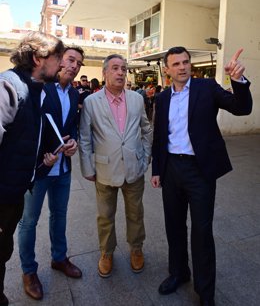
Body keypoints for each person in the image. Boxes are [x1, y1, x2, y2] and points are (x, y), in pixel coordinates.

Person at [151, 46, 252, 306]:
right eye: (176, 64)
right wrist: (156, 170)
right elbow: (160, 135)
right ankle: (179, 273)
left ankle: (205, 292)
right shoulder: (161, 99)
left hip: (200, 170)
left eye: (185, 62)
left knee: (202, 231)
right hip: (172, 169)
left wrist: (237, 80)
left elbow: (241, 109)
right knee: (173, 226)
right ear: (167, 69)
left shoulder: (207, 87)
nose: (182, 67)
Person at [0, 31, 65, 306]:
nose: (62, 65)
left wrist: (41, 163)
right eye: (58, 58)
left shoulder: (36, 90)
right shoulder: (9, 87)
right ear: (39, 58)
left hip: (14, 191)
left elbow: (23, 142)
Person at [18, 46, 85, 301]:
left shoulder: (76, 93)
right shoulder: (40, 87)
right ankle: (28, 271)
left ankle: (59, 258)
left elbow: (70, 127)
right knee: (29, 221)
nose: (74, 65)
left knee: (59, 215)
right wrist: (42, 155)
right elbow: (29, 127)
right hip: (39, 169)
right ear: (58, 61)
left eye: (78, 62)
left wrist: (74, 143)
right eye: (70, 59)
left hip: (63, 169)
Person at [79, 54, 152, 278]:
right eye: (115, 68)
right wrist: (87, 169)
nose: (120, 72)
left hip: (134, 168)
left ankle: (136, 249)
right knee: (105, 216)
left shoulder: (137, 99)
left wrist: (145, 157)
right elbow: (84, 138)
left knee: (135, 214)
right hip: (104, 170)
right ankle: (107, 253)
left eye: (124, 68)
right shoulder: (92, 102)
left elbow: (146, 129)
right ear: (104, 73)